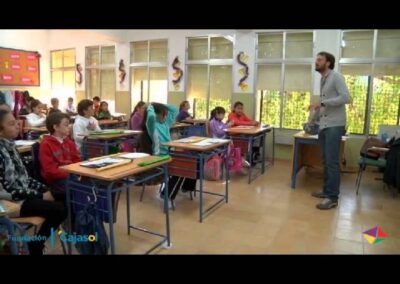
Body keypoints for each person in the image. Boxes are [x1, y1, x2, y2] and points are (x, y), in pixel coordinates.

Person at [0, 109, 66, 255]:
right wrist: (40, 195)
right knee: (58, 209)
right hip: (10, 203)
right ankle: (35, 245)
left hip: (22, 194)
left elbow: (26, 179)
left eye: (16, 122)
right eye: (12, 124)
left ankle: (35, 243)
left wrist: (44, 189)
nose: (18, 126)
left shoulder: (11, 147)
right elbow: (7, 192)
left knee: (64, 197)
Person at [311, 51, 350, 210]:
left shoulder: (336, 77)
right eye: (317, 59)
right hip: (325, 125)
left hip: (335, 125)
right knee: (326, 160)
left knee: (332, 162)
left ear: (328, 63)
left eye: (319, 60)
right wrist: (314, 118)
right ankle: (327, 191)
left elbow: (346, 97)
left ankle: (332, 197)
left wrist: (324, 103)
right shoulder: (323, 79)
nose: (317, 62)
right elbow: (324, 105)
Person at [139, 102, 197, 204]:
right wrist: (151, 107)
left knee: (194, 162)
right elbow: (151, 116)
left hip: (170, 154)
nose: (166, 116)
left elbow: (174, 108)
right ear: (157, 114)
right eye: (163, 114)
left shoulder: (165, 123)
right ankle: (167, 195)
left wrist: (159, 104)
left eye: (166, 114)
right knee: (181, 168)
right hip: (159, 157)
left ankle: (186, 187)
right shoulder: (152, 125)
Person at [39, 112, 80, 202]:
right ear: (55, 127)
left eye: (69, 124)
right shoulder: (46, 144)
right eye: (65, 124)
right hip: (56, 180)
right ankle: (75, 214)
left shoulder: (69, 142)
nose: (69, 127)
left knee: (92, 185)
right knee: (80, 189)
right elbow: (50, 171)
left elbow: (77, 160)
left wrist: (77, 172)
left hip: (71, 175)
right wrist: (70, 173)